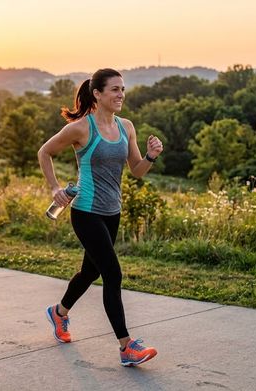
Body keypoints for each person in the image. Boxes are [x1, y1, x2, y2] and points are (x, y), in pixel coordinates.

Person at [37, 68, 164, 367]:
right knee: (112, 273)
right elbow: (45, 152)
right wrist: (55, 187)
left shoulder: (126, 126)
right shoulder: (81, 128)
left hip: (112, 212)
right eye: (115, 89)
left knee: (90, 272)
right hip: (85, 211)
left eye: (123, 89)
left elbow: (136, 170)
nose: (121, 94)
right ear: (97, 93)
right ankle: (126, 346)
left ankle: (59, 312)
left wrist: (151, 156)